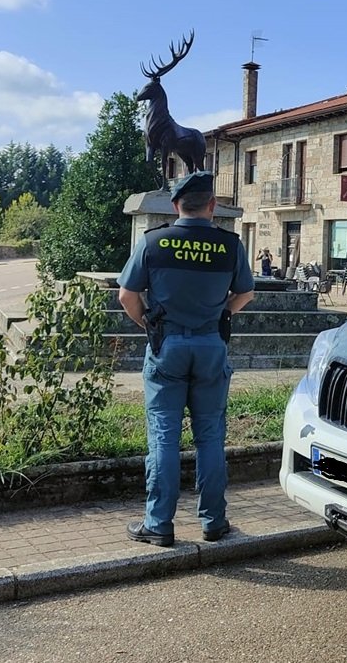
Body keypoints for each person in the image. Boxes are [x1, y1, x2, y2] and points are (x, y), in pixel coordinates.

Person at [117, 171, 255, 547]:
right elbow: (245, 294)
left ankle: (159, 524)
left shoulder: (153, 242)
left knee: (164, 436)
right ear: (211, 206)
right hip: (211, 345)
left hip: (168, 347)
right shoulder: (230, 245)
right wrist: (221, 312)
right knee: (210, 437)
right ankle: (214, 522)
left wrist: (149, 322)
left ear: (176, 205)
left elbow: (127, 296)